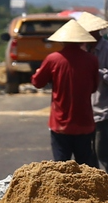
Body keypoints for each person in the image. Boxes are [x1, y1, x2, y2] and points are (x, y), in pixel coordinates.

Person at [31, 19, 99, 166]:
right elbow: (94, 88)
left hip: (60, 123)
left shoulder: (53, 59)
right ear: (82, 41)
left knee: (61, 168)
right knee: (86, 169)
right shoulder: (92, 60)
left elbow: (37, 82)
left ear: (62, 41)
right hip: (84, 122)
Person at [73, 12, 108, 174]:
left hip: (102, 109)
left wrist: (101, 73)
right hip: (87, 109)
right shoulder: (84, 50)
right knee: (89, 155)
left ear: (95, 33)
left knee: (104, 152)